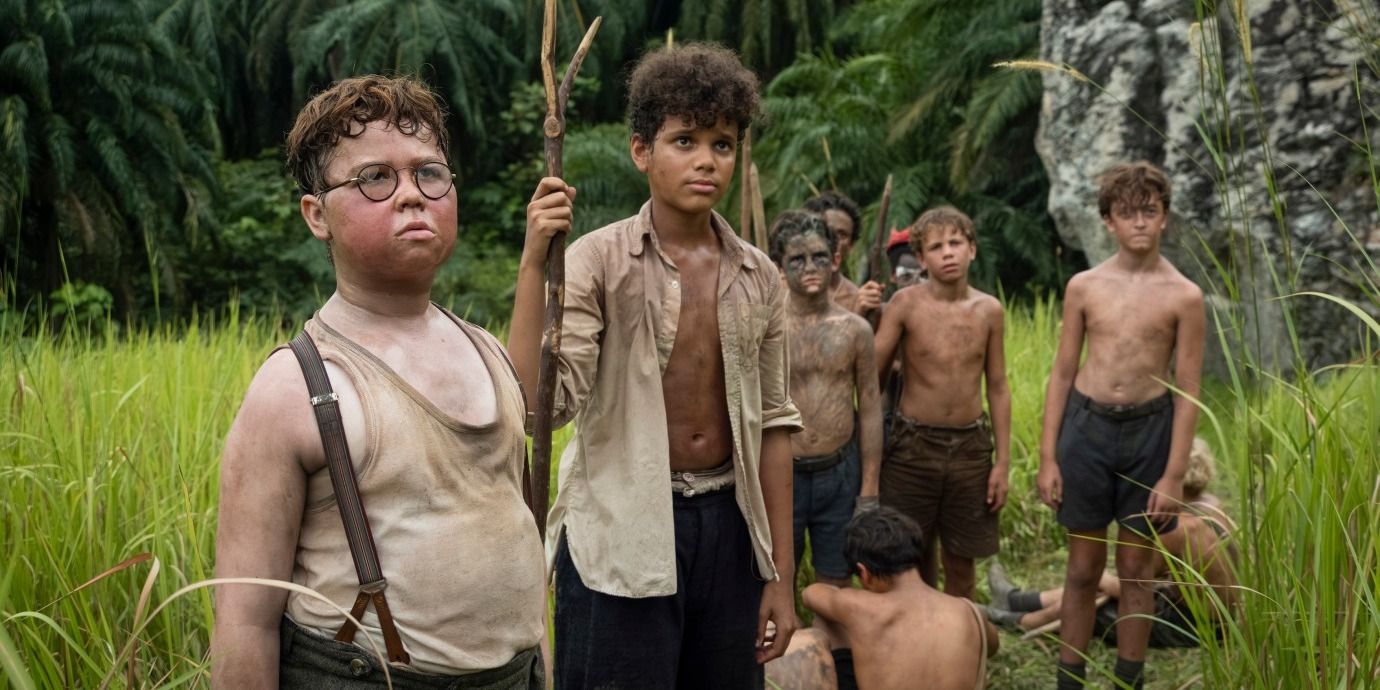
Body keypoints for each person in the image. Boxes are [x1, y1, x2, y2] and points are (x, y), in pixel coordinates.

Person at [211, 75, 546, 689]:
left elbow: (519, 543)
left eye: (429, 173)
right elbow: (245, 622)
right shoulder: (295, 387)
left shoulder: (488, 351)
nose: (411, 195)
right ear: (317, 215)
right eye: (375, 178)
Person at [509, 43, 802, 689]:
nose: (706, 160)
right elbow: (537, 408)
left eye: (722, 144)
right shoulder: (597, 262)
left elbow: (776, 426)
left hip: (729, 526)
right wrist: (533, 264)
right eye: (684, 140)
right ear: (642, 151)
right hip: (620, 529)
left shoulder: (759, 276)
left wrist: (779, 576)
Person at [1036, 161, 1206, 690]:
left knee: (1136, 568)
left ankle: (1128, 680)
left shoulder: (1184, 296)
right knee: (1083, 568)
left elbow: (1188, 389)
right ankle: (1070, 678)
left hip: (1149, 434)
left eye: (1149, 212)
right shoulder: (1085, 287)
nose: (1139, 222)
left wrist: (1173, 474)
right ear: (1108, 221)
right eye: (1127, 213)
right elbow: (1062, 372)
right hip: (1086, 430)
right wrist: (1048, 456)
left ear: (1165, 218)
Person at [873, 207, 1012, 601]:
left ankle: (958, 637)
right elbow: (871, 377)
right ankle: (916, 637)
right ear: (921, 258)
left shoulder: (989, 310)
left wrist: (1002, 463)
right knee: (907, 560)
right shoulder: (905, 305)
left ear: (972, 249)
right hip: (912, 448)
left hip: (970, 450)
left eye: (955, 243)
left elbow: (998, 386)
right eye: (936, 247)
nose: (947, 253)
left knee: (961, 564)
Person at [986, 437, 1236, 649]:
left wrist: (1100, 577)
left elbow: (1132, 587)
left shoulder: (1177, 528)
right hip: (1215, 613)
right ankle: (1016, 600)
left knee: (1088, 601)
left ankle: (1018, 620)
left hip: (1197, 627)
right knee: (1091, 589)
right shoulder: (1212, 506)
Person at [767, 210, 883, 588]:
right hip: (782, 471)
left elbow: (870, 408)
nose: (810, 267)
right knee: (776, 578)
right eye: (797, 260)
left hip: (839, 472)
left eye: (819, 257)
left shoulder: (855, 330)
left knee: (836, 582)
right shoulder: (767, 328)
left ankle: (830, 629)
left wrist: (869, 488)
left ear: (835, 260)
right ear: (779, 266)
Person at [767, 507, 999, 690]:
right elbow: (992, 645)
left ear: (864, 572)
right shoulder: (968, 612)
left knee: (823, 624)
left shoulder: (859, 608)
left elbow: (811, 594)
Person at [804, 192, 883, 317]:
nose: (833, 241)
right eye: (826, 231)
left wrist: (858, 315)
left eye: (842, 235)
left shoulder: (859, 301)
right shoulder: (783, 289)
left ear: (851, 246)